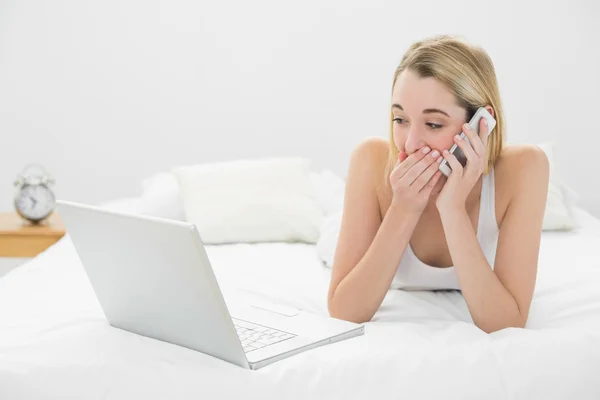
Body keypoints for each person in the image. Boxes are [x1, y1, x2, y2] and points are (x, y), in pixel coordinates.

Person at [326, 35, 549, 333]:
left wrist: (452, 208)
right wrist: (403, 209)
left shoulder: (525, 168)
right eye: (400, 119)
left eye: (433, 124)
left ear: (482, 123)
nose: (412, 142)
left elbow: (505, 323)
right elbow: (344, 311)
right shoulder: (371, 159)